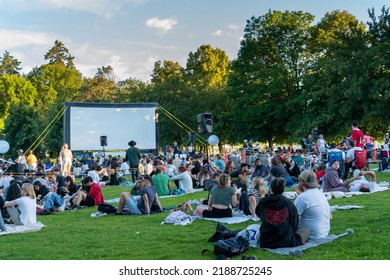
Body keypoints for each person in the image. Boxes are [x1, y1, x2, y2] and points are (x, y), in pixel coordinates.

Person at [256, 177, 311, 249]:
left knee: (259, 232)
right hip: (287, 241)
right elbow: (295, 225)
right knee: (307, 229)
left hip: (267, 241)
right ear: (283, 189)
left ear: (270, 189)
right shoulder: (289, 203)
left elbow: (259, 214)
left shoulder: (263, 202)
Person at [294, 170, 331, 240]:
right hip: (324, 233)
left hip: (311, 235)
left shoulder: (302, 198)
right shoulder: (320, 194)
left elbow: (292, 218)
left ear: (301, 182)